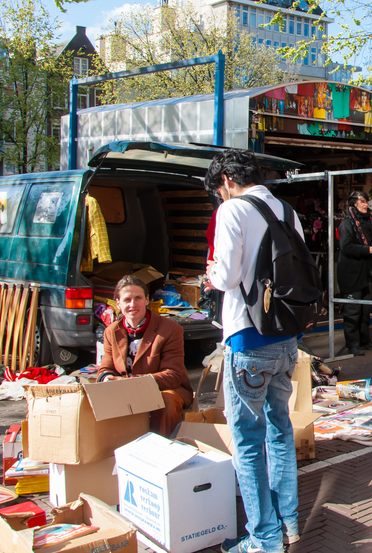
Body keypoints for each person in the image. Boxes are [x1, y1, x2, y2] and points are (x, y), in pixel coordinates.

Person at [205, 149, 305, 552]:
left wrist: (211, 274)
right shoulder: (286, 210)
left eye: (218, 191)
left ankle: (264, 539)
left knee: (247, 441)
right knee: (280, 430)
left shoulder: (233, 212)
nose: (219, 198)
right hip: (286, 338)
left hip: (247, 337)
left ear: (227, 180)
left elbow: (227, 275)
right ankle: (290, 523)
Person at [96, 275, 193, 437]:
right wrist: (107, 379)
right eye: (127, 300)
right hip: (125, 390)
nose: (133, 304)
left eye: (138, 298)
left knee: (166, 401)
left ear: (147, 300)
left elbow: (173, 375)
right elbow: (105, 369)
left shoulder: (170, 330)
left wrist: (133, 382)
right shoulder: (111, 332)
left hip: (165, 389)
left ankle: (160, 452)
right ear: (118, 304)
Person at [337, 190, 372, 356]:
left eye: (367, 201)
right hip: (351, 273)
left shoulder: (369, 222)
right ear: (354, 203)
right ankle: (352, 344)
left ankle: (364, 340)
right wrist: (370, 250)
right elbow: (347, 247)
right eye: (362, 201)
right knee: (353, 310)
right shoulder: (346, 224)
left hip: (367, 273)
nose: (365, 205)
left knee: (366, 310)